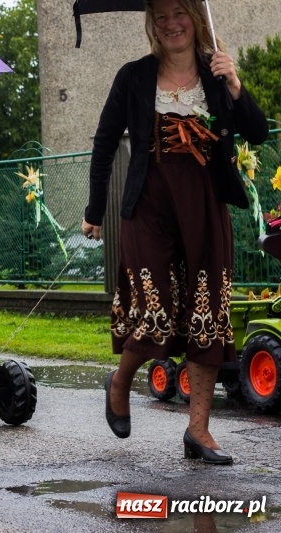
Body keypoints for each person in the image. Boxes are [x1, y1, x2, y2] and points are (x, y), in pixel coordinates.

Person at [81, 0, 268, 464]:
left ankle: (199, 431)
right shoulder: (133, 76)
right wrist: (94, 210)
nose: (171, 24)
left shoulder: (217, 73)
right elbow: (105, 143)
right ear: (152, 25)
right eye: (161, 17)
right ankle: (120, 381)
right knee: (157, 309)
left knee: (207, 315)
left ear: (196, 18)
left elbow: (258, 132)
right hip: (149, 206)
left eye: (179, 13)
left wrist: (236, 84)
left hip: (205, 207)